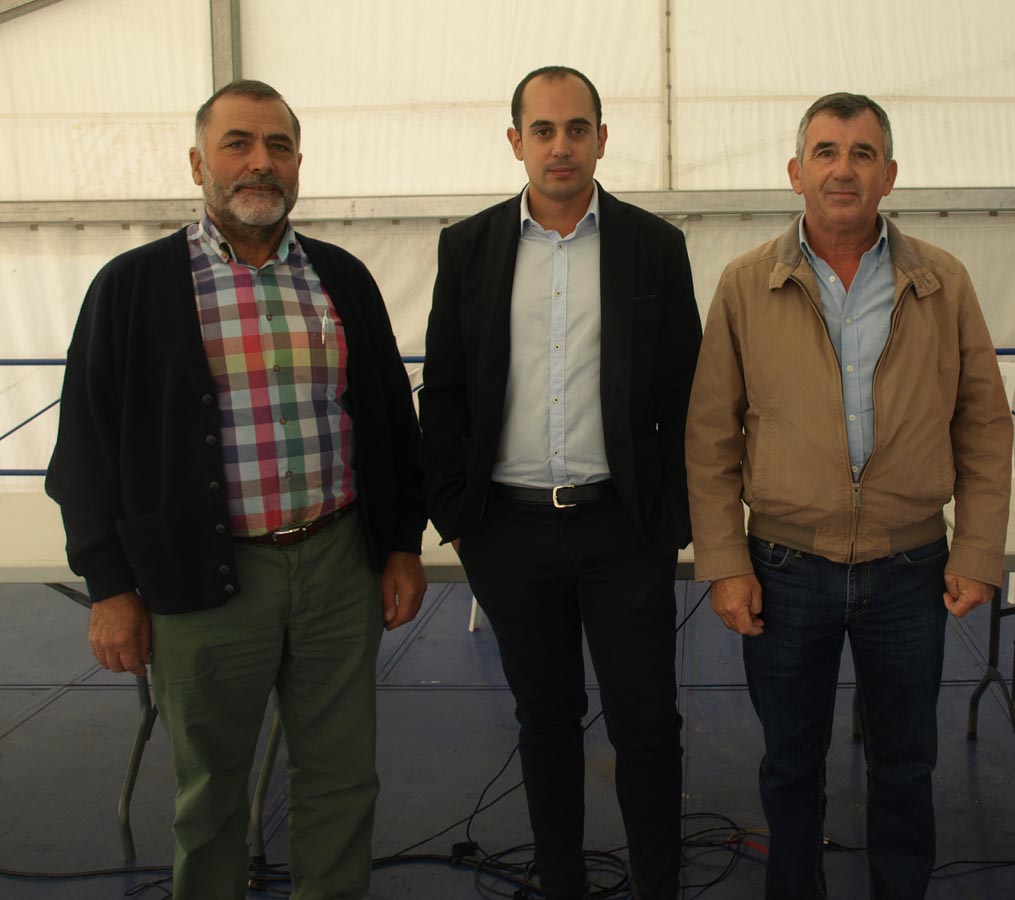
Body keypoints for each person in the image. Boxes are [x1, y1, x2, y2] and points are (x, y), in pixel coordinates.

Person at [46, 79, 427, 900]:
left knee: (341, 780)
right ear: (197, 163)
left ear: (298, 163)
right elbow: (83, 450)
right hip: (203, 581)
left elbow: (393, 425)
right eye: (238, 144)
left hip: (335, 565)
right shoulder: (134, 286)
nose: (261, 163)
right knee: (209, 792)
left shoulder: (341, 279)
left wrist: (400, 545)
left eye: (278, 146)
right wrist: (110, 587)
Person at [685, 92, 1013, 899]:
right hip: (785, 567)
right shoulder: (742, 286)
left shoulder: (941, 281)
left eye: (863, 153)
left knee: (907, 765)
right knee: (789, 764)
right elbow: (710, 438)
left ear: (889, 175)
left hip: (909, 568)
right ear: (795, 172)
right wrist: (725, 561)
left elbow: (983, 427)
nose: (843, 168)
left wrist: (976, 551)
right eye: (826, 151)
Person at [419, 65, 701, 900]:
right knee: (543, 721)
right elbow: (444, 387)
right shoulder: (466, 247)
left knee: (646, 723)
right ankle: (562, 880)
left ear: (602, 139)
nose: (560, 146)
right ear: (515, 143)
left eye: (576, 128)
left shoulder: (654, 245)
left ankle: (658, 883)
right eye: (542, 131)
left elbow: (684, 394)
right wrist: (454, 512)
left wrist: (670, 517)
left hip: (621, 530)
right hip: (507, 532)